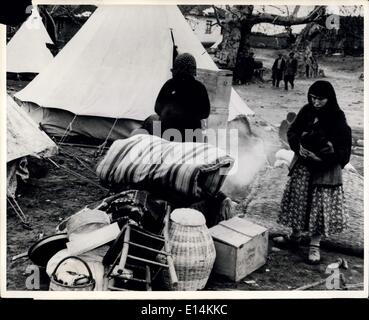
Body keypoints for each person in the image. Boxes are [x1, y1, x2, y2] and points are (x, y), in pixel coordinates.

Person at [277, 81, 352, 264]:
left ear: (330, 98)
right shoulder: (307, 110)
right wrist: (298, 147)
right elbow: (292, 131)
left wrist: (323, 159)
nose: (316, 102)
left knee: (319, 207)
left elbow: (344, 149)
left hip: (325, 170)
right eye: (313, 98)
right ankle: (294, 237)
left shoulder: (337, 117)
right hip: (303, 164)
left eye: (320, 99)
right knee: (299, 200)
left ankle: (314, 245)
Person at [154, 53, 210, 142]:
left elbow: (157, 108)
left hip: (167, 135)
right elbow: (205, 113)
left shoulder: (169, 85)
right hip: (192, 136)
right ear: (193, 70)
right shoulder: (199, 87)